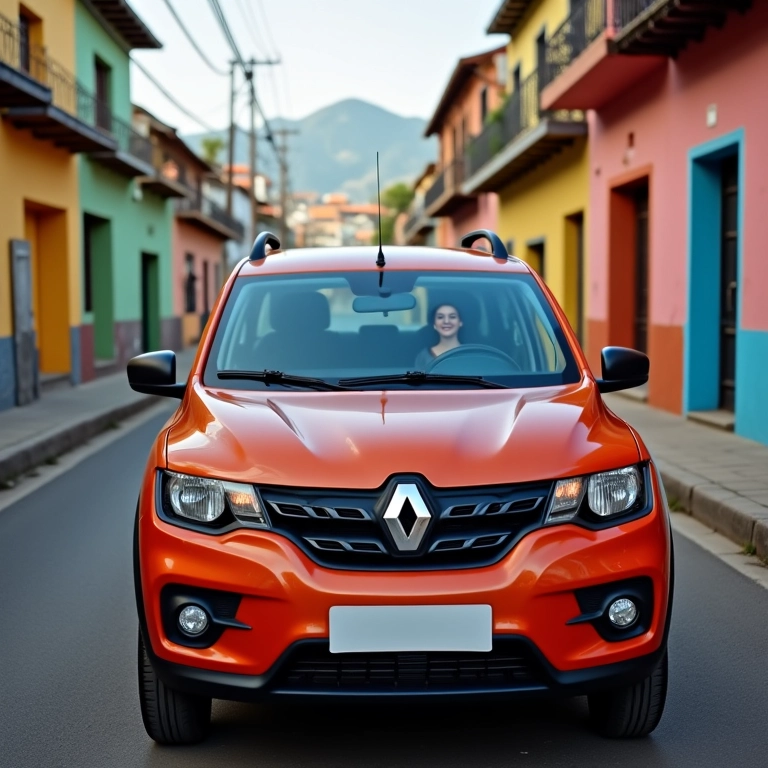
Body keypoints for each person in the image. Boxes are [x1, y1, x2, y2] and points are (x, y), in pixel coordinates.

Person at [414, 303, 463, 370]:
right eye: (440, 317)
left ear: (460, 322)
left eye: (452, 317)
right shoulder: (424, 356)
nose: (446, 321)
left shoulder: (470, 354)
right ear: (434, 324)